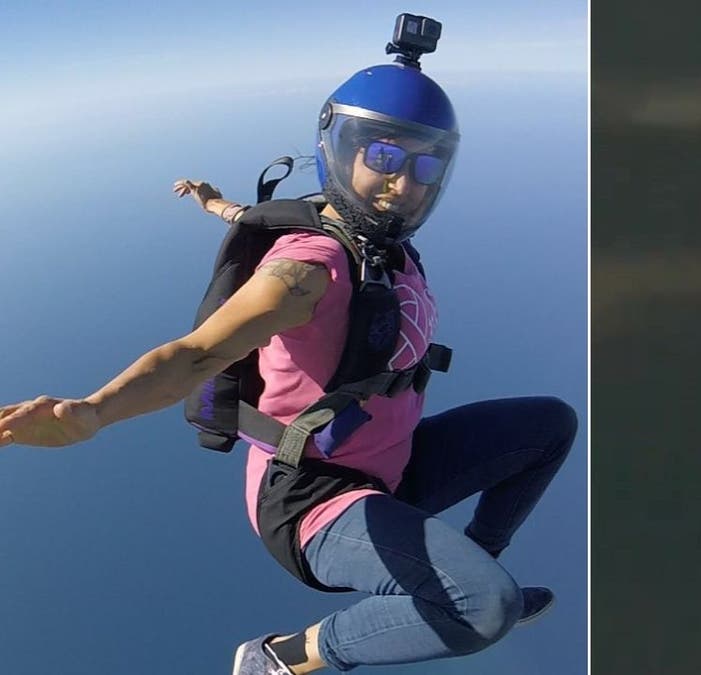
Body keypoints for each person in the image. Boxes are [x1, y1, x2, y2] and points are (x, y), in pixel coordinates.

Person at [0, 37, 577, 675]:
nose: (402, 183)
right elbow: (195, 355)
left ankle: (471, 564)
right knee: (483, 609)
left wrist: (211, 201)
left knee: (550, 425)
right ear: (344, 152)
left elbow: (254, 214)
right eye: (384, 155)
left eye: (424, 166)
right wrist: (93, 412)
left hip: (391, 466)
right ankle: (281, 656)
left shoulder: (372, 243)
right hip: (312, 497)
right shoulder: (310, 270)